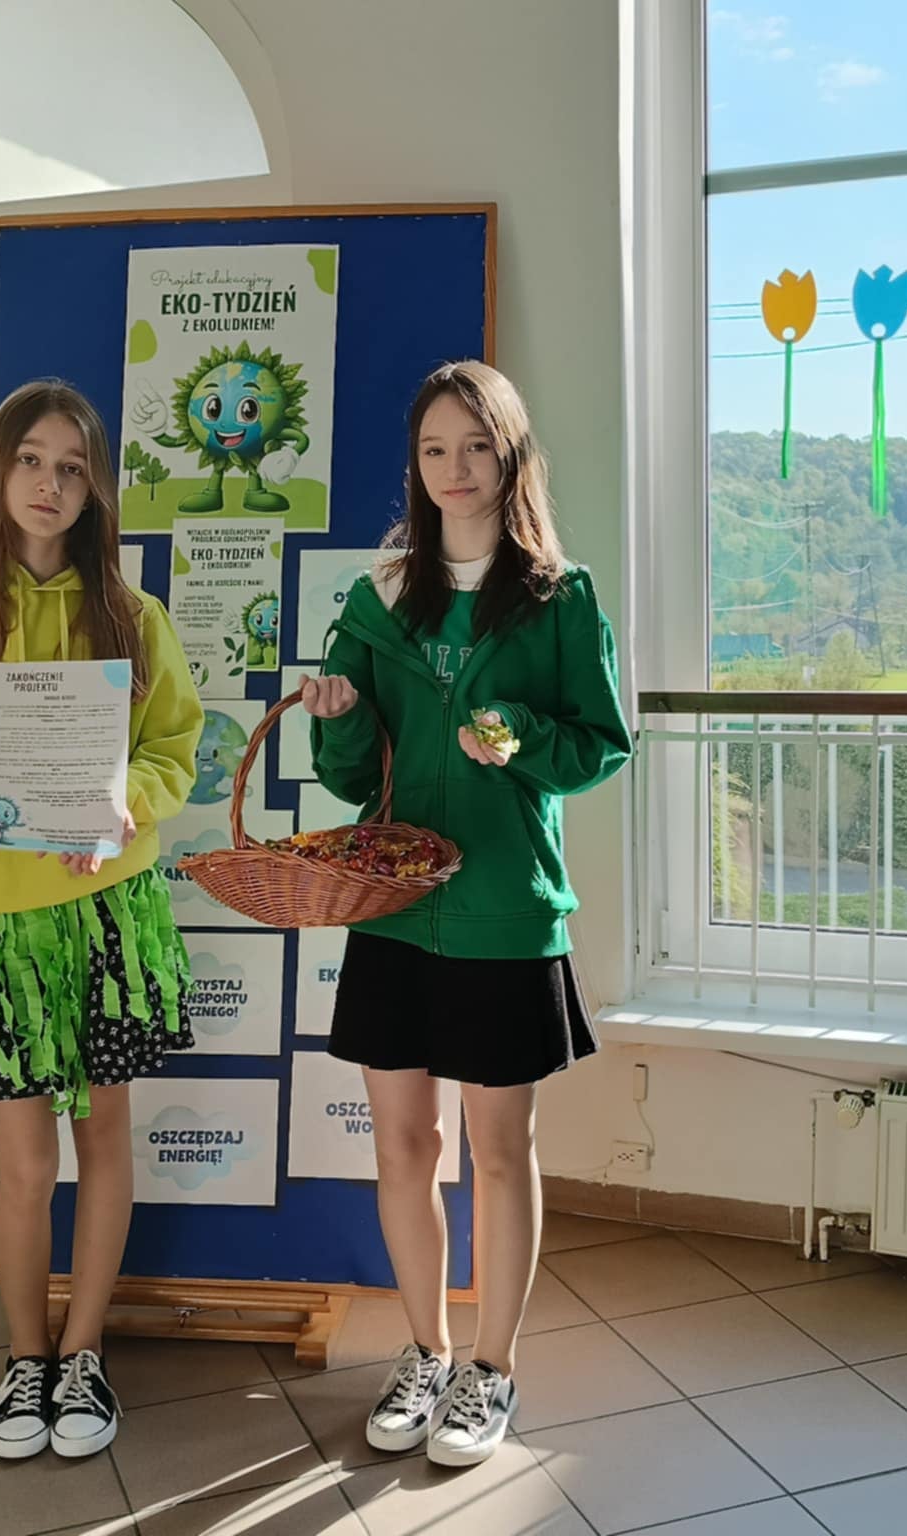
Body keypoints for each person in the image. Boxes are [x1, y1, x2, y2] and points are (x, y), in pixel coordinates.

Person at [301, 360, 631, 1467]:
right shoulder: (378, 598)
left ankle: (491, 1368)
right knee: (404, 1146)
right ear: (416, 463)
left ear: (510, 456)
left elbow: (601, 745)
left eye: (476, 447)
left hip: (503, 911)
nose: (455, 469)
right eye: (435, 449)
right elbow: (351, 777)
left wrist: (520, 739)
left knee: (498, 1151)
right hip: (395, 909)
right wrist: (338, 715)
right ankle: (426, 1352)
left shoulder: (559, 597)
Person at [0, 378, 202, 1461]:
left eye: (70, 467)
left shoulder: (134, 620)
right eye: (29, 460)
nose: (49, 484)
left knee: (103, 1142)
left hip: (108, 918)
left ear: (95, 487)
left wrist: (124, 803)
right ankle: (26, 1361)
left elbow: (172, 749)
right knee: (22, 1163)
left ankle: (85, 1351)